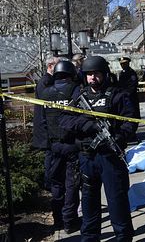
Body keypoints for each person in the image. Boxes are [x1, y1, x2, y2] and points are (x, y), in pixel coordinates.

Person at [60, 56, 136, 240]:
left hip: (110, 157)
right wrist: (88, 126)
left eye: (96, 74)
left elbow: (130, 121)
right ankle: (89, 237)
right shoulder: (79, 97)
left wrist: (119, 136)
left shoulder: (117, 95)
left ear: (105, 74)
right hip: (87, 157)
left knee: (117, 201)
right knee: (89, 202)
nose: (92, 78)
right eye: (89, 75)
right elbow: (64, 119)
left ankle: (123, 237)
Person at [41, 61, 81, 234]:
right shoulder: (75, 90)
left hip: (53, 145)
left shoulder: (45, 93)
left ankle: (58, 220)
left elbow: (42, 120)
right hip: (72, 145)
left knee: (57, 184)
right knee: (72, 184)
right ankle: (69, 221)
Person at [32, 56, 60, 191]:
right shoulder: (45, 82)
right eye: (57, 65)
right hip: (45, 126)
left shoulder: (50, 80)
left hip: (50, 125)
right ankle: (49, 184)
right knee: (50, 157)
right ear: (50, 66)